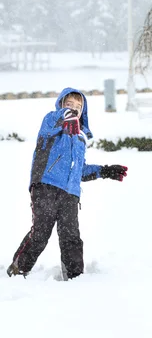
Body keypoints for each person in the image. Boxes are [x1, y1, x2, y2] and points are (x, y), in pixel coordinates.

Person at [7, 88, 128, 280]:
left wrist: (104, 171)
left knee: (71, 236)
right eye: (69, 104)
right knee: (41, 232)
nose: (73, 109)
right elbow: (55, 120)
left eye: (78, 107)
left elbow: (79, 170)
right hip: (45, 185)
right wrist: (66, 116)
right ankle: (18, 269)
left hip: (70, 193)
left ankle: (75, 276)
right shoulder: (51, 123)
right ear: (61, 105)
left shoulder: (80, 138)